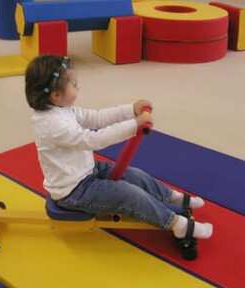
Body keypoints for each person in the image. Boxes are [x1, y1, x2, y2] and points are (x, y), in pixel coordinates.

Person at [25, 54, 213, 248]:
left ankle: (173, 197)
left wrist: (130, 110)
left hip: (86, 171)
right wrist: (133, 126)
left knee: (134, 175)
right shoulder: (51, 124)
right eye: (74, 84)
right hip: (74, 192)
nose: (78, 87)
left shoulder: (62, 109)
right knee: (128, 194)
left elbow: (96, 118)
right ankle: (177, 224)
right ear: (55, 95)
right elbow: (92, 140)